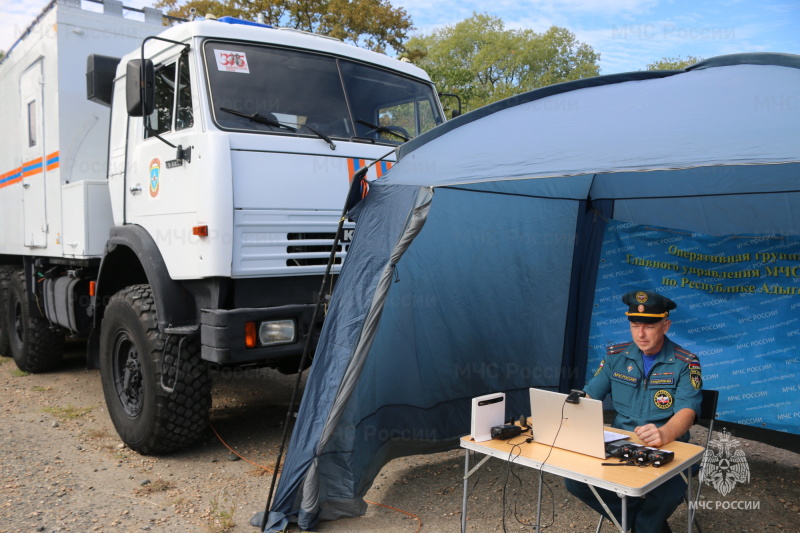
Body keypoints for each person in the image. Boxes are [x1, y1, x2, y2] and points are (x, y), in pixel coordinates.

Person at [565, 289, 702, 533]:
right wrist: (569, 408)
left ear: (665, 325)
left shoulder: (685, 362)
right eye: (635, 324)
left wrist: (665, 432)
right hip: (622, 445)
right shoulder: (615, 357)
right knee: (575, 481)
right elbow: (589, 396)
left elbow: (687, 412)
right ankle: (639, 524)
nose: (640, 333)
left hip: (671, 448)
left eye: (649, 326)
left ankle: (641, 525)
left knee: (665, 496)